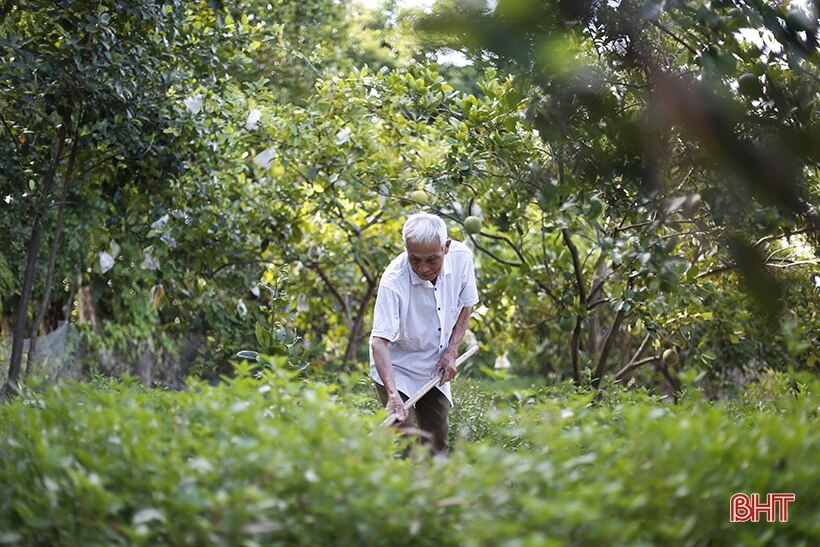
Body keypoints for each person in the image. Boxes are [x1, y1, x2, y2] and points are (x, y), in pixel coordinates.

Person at [370, 212, 478, 455]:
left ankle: (436, 490)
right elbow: (379, 342)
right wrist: (392, 394)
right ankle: (403, 489)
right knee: (404, 443)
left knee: (436, 441)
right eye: (414, 259)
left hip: (434, 364)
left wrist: (452, 351)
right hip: (396, 366)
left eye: (432, 259)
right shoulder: (393, 281)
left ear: (446, 247)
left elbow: (466, 304)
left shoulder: (462, 258)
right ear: (406, 249)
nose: (422, 268)